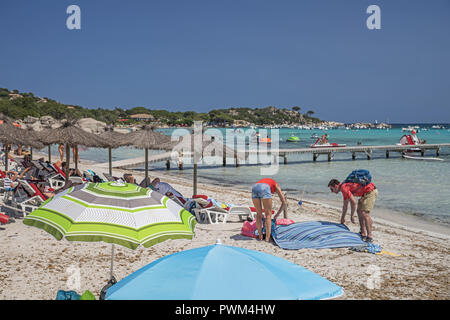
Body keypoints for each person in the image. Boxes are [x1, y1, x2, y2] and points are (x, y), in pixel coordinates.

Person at [328, 178, 378, 242]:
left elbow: (353, 203)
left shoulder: (344, 187)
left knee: (365, 213)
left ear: (336, 186)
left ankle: (369, 236)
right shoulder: (344, 187)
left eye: (332, 189)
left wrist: (352, 216)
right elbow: (345, 205)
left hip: (370, 192)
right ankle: (363, 232)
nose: (332, 191)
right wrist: (342, 218)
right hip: (365, 194)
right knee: (359, 212)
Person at [251, 178, 287, 242]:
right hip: (264, 187)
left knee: (259, 214)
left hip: (255, 187)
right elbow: (284, 202)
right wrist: (277, 215)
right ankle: (267, 238)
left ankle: (260, 236)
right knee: (268, 215)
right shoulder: (276, 185)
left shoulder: (269, 182)